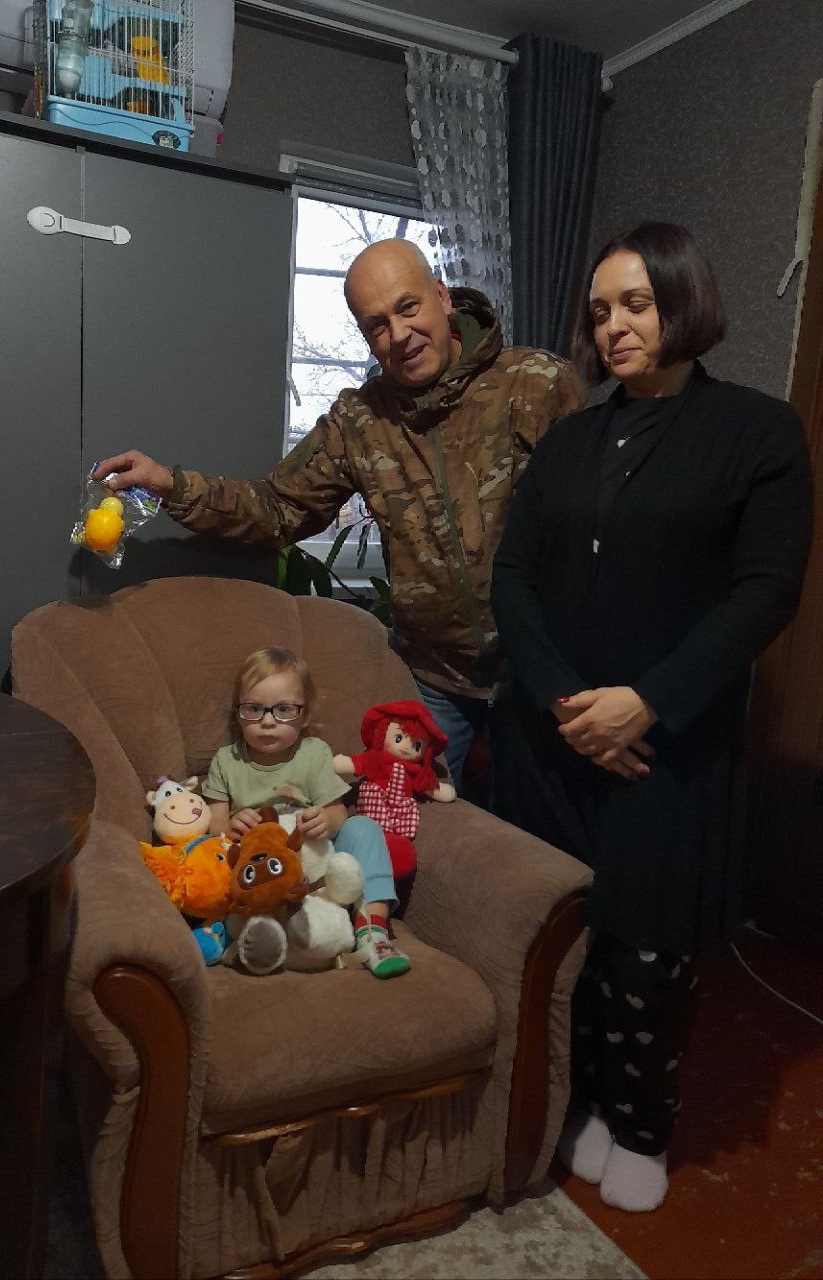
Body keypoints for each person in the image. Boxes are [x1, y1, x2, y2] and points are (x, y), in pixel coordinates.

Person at [490, 222, 814, 1212]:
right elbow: (514, 577)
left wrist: (648, 701)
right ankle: (575, 1099)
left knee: (646, 950)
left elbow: (766, 593)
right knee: (567, 941)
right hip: (553, 738)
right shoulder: (571, 439)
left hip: (667, 744)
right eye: (600, 312)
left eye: (636, 303)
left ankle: (639, 1123)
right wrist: (563, 700)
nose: (615, 327)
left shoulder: (757, 432)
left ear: (684, 300)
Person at [93, 238, 586, 797]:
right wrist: (170, 484)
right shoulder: (359, 420)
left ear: (443, 297)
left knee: (537, 829)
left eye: (408, 307)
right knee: (407, 820)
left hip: (540, 669)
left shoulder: (537, 382)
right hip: (435, 681)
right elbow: (277, 508)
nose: (400, 335)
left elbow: (600, 525)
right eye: (377, 325)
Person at [203, 645, 410, 978]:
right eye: (253, 709)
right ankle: (258, 932)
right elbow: (214, 825)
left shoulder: (313, 753)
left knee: (362, 827)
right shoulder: (227, 761)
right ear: (238, 714)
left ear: (305, 715)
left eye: (284, 710)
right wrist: (230, 826)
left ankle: (372, 930)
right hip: (263, 875)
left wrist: (325, 820)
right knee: (216, 856)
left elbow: (338, 815)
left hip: (318, 867)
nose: (267, 721)